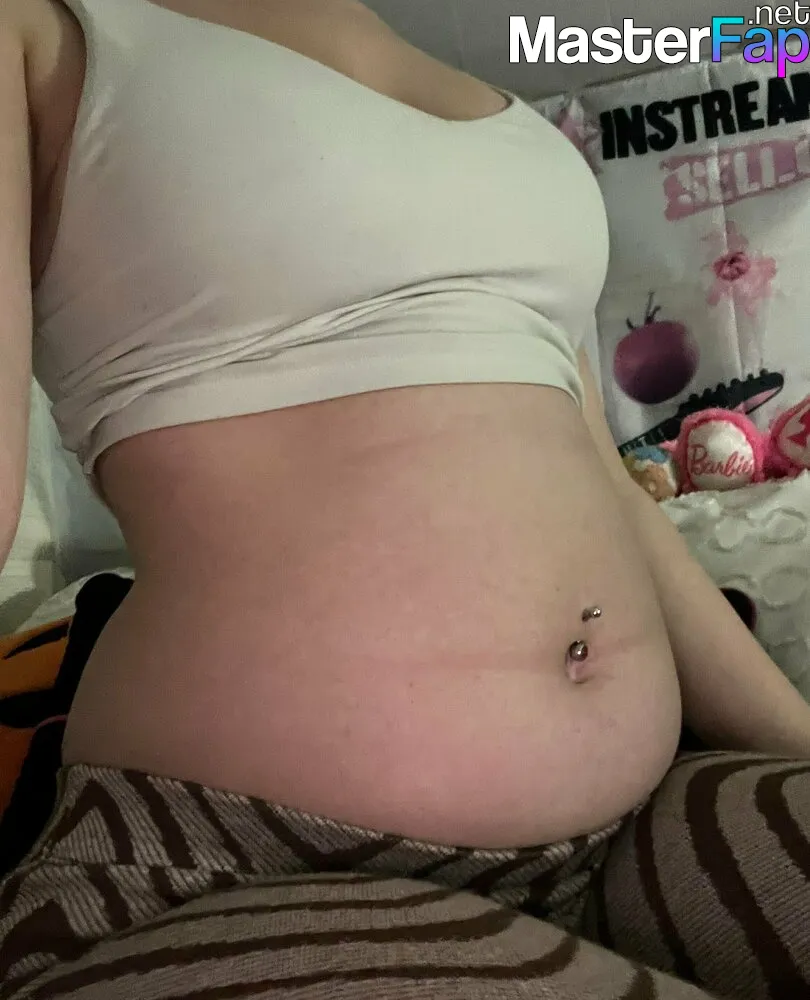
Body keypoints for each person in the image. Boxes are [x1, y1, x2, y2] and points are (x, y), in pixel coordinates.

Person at [0, 0, 808, 997]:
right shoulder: (43, 28)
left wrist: (794, 749)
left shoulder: (502, 108)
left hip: (634, 825)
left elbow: (608, 483)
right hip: (235, 860)